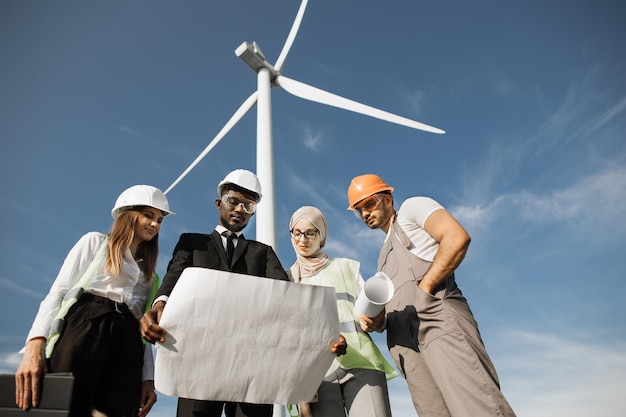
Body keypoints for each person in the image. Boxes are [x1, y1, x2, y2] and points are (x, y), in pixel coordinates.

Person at [347, 174, 516, 417]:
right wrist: (378, 321)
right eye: (358, 210)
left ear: (387, 199)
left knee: (476, 406)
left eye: (369, 204)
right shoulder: (383, 257)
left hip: (437, 323)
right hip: (407, 345)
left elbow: (456, 237)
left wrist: (425, 288)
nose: (364, 214)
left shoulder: (412, 209)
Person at [142, 169, 300, 417]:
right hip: (199, 357)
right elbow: (175, 274)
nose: (239, 209)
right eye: (233, 201)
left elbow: (284, 293)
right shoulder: (192, 243)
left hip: (252, 361)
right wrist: (161, 302)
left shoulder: (263, 252)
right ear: (219, 203)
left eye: (248, 205)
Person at [15, 184, 174, 417]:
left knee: (118, 410)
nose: (155, 224)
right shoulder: (95, 243)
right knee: (67, 406)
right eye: (148, 216)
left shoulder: (151, 276)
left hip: (128, 344)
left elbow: (145, 336)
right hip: (86, 327)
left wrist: (148, 379)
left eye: (160, 220)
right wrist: (34, 345)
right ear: (128, 215)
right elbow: (58, 293)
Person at [286, 206, 397, 417]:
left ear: (322, 235)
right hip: (318, 376)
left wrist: (378, 321)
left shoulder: (346, 267)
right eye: (297, 232)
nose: (303, 239)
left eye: (311, 232)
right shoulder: (287, 279)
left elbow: (375, 319)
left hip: (362, 364)